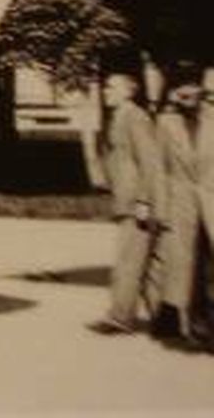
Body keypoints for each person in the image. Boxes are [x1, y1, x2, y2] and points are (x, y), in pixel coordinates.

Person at [88, 68, 161, 333]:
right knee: (147, 263)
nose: (106, 91)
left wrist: (145, 201)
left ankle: (120, 317)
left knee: (128, 260)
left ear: (129, 91)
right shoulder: (120, 116)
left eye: (112, 87)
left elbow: (150, 161)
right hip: (126, 200)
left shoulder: (135, 117)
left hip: (135, 202)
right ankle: (170, 319)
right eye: (106, 87)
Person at [151, 63, 210, 347]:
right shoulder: (166, 124)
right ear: (174, 92)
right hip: (181, 204)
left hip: (211, 202)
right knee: (186, 266)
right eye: (181, 88)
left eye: (193, 86)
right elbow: (159, 170)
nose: (188, 93)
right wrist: (161, 209)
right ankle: (194, 325)